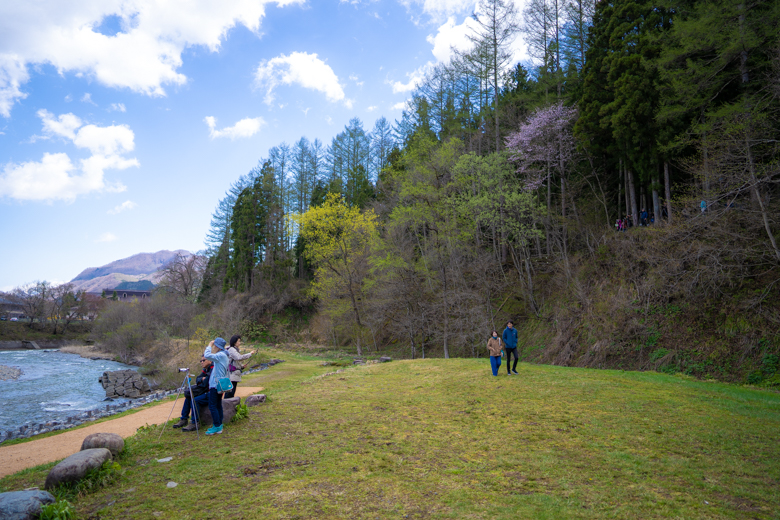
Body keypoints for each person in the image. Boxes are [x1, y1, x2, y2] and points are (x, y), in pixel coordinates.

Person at [173, 357, 213, 432]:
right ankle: (184, 419)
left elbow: (206, 383)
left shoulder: (213, 368)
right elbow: (198, 378)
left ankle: (195, 423)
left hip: (212, 393)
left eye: (203, 360)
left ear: (210, 360)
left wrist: (202, 380)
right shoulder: (205, 369)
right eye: (200, 360)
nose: (202, 362)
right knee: (188, 397)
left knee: (195, 400)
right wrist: (201, 379)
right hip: (205, 391)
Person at [203, 337, 230, 435]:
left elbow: (206, 355)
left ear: (217, 346)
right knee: (218, 405)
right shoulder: (224, 355)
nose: (213, 347)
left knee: (213, 405)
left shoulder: (220, 355)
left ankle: (217, 426)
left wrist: (209, 345)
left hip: (216, 385)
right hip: (219, 384)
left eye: (214, 346)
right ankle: (219, 425)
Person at [225, 335, 256, 399]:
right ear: (234, 342)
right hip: (231, 374)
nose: (239, 343)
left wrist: (241, 366)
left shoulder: (234, 350)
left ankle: (228, 406)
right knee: (229, 393)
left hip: (234, 374)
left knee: (231, 392)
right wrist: (250, 354)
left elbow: (235, 361)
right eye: (238, 341)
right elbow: (239, 357)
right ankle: (226, 407)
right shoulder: (232, 349)